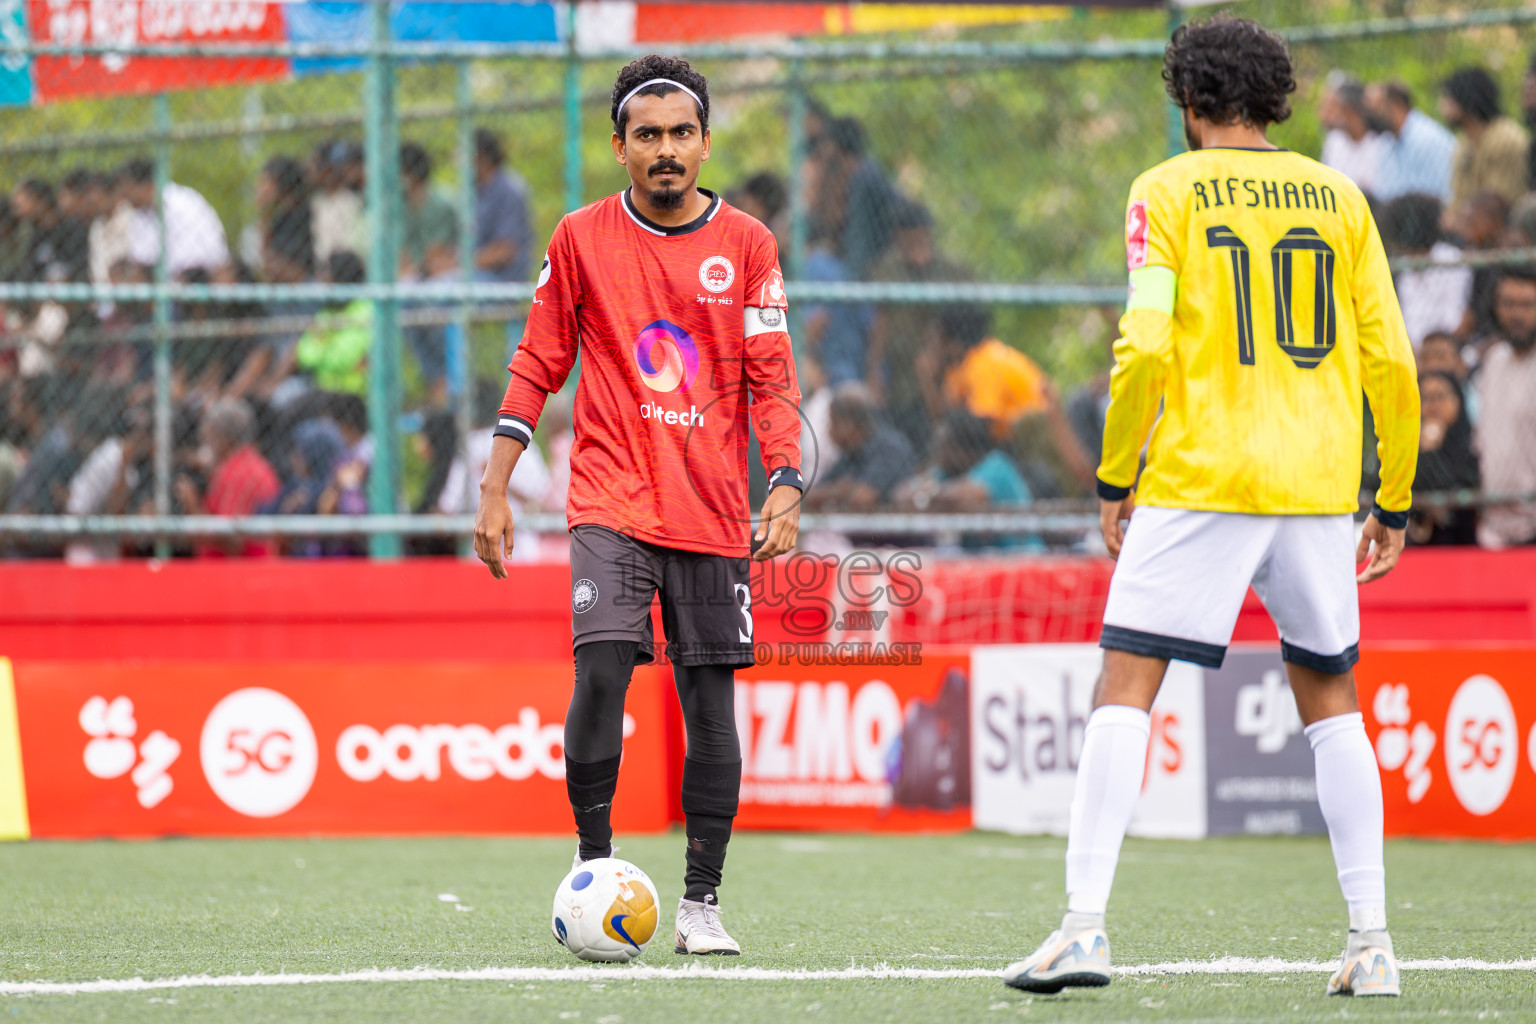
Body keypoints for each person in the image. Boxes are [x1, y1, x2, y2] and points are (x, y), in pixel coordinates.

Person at [1002, 16, 1418, 999]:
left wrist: (1117, 475)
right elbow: (1391, 361)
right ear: (1274, 100)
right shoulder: (1339, 195)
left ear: (1187, 103)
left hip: (1204, 479)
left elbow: (1145, 346)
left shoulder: (1167, 190)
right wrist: (1390, 494)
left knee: (1125, 684)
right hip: (1319, 485)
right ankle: (1373, 942)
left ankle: (1083, 928)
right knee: (1332, 700)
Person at [473, 55, 802, 957]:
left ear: (705, 142)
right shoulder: (579, 237)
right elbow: (539, 359)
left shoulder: (748, 245)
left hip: (708, 509)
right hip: (610, 497)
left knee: (709, 706)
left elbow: (773, 378)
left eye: (681, 134)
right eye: (647, 136)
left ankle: (701, 904)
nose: (666, 151)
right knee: (603, 672)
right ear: (618, 146)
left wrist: (785, 481)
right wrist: (498, 482)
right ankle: (594, 862)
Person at [865, 200, 970, 451]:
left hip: (943, 372)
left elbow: (969, 324)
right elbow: (881, 321)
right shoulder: (889, 269)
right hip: (901, 374)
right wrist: (874, 373)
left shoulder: (952, 271)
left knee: (940, 434)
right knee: (902, 434)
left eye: (918, 236)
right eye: (906, 238)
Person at [1474, 268, 1536, 549]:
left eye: (1527, 304)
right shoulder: (1493, 361)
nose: (1517, 314)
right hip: (1493, 525)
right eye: (1508, 304)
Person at [175, 397, 281, 558]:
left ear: (223, 438)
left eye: (209, 439)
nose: (206, 446)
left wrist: (193, 506)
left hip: (237, 574)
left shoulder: (236, 473)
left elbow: (232, 541)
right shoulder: (254, 463)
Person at [399, 141, 460, 406]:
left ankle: (446, 379)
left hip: (448, 271)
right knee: (403, 299)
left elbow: (438, 254)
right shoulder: (401, 205)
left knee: (431, 301)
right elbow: (402, 253)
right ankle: (430, 378)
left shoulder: (440, 201)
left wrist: (415, 266)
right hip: (420, 274)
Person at [803, 382, 916, 512]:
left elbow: (864, 497)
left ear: (847, 423)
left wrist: (840, 491)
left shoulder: (889, 447)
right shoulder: (851, 452)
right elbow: (812, 496)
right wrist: (840, 490)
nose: (829, 429)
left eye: (832, 422)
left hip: (898, 530)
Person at [472, 128, 534, 360]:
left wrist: (460, 263)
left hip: (503, 280)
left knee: (444, 287)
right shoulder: (474, 192)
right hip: (476, 276)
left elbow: (505, 251)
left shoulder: (509, 189)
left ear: (481, 156)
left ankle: (455, 389)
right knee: (422, 291)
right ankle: (446, 383)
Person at [1377, 194, 1470, 348]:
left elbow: (1455, 318)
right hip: (1408, 348)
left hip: (1446, 346)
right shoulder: (1402, 268)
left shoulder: (1450, 259)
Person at [119, 157, 230, 277]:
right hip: (160, 282)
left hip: (197, 277)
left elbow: (196, 260)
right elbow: (139, 259)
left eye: (128, 189)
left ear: (147, 186)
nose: (125, 196)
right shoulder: (139, 215)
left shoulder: (182, 204)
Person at [1440, 68, 1531, 207]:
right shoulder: (1464, 143)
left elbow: (1497, 204)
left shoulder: (1505, 139)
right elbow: (1457, 201)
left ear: (1466, 99)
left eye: (1447, 98)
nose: (1441, 106)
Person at [1409, 371, 1478, 546]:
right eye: (1425, 397)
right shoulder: (1404, 449)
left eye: (1440, 396)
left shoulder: (1474, 446)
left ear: (1458, 401)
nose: (1433, 405)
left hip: (1464, 545)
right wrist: (1425, 451)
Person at [1365, 81, 1456, 203]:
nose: (1370, 117)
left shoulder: (1428, 139)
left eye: (1375, 110)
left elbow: (1442, 197)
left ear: (1396, 104)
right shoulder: (1386, 142)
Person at [295, 252, 371, 396]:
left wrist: (322, 342)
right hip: (323, 391)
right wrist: (328, 345)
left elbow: (344, 358)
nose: (321, 283)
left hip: (355, 393)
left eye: (326, 276)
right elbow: (304, 355)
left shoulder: (364, 309)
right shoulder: (327, 312)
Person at [1318, 73, 1386, 196]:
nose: (1325, 114)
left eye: (1333, 107)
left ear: (1350, 110)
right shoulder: (1334, 141)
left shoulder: (1380, 145)